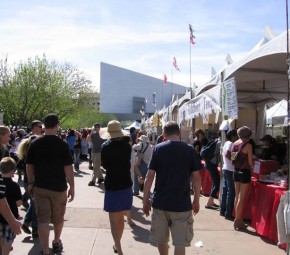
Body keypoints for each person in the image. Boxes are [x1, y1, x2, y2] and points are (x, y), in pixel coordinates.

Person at [143, 121, 202, 255]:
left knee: (161, 240)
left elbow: (149, 177)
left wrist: (145, 200)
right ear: (179, 133)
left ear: (164, 134)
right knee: (180, 243)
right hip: (182, 204)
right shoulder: (190, 150)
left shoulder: (158, 149)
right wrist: (197, 200)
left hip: (160, 203)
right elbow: (197, 178)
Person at [26, 113, 75, 255]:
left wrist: (30, 182)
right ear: (57, 125)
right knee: (58, 218)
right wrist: (72, 186)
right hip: (59, 188)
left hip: (41, 187)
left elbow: (29, 165)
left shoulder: (35, 143)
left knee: (43, 220)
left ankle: (45, 250)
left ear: (44, 126)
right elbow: (68, 167)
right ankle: (56, 241)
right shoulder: (62, 144)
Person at [100, 120, 133, 255]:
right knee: (121, 219)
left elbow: (105, 166)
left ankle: (118, 247)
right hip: (126, 185)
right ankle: (117, 245)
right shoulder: (127, 147)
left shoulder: (105, 148)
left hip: (112, 185)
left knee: (114, 220)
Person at [232, 126, 254, 230]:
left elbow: (233, 160)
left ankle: (237, 218)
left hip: (236, 171)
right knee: (242, 197)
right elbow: (250, 162)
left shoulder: (235, 144)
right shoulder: (248, 145)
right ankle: (238, 220)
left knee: (237, 196)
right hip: (244, 172)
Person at [17, 135, 39, 239]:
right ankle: (35, 230)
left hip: (28, 182)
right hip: (32, 182)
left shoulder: (26, 152)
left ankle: (26, 223)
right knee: (35, 207)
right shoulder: (32, 154)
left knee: (34, 204)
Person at [0, 157, 22, 255]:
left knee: (1, 236)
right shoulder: (15, 185)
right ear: (12, 171)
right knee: (9, 239)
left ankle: (3, 250)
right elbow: (19, 203)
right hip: (11, 215)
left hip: (0, 215)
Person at [121, 135, 143, 227]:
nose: (132, 141)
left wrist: (140, 175)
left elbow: (134, 166)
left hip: (130, 179)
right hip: (122, 179)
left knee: (127, 199)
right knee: (126, 199)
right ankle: (128, 219)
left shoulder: (133, 152)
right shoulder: (121, 152)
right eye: (130, 140)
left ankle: (124, 216)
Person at [220, 129, 238, 220]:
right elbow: (228, 154)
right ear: (233, 136)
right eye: (237, 136)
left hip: (226, 168)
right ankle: (228, 213)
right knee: (231, 192)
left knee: (226, 190)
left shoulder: (227, 143)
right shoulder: (231, 144)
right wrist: (234, 162)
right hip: (230, 169)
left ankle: (223, 210)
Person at [205, 132, 221, 209]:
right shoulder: (220, 143)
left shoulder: (215, 141)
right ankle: (209, 202)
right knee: (217, 184)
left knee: (215, 183)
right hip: (212, 164)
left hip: (209, 163)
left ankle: (211, 201)